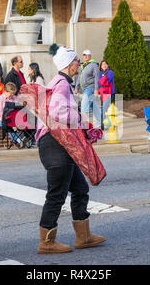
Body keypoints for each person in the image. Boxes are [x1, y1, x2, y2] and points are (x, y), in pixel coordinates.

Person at [35, 45, 106, 254]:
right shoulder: (62, 84)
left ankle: (83, 237)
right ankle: (46, 241)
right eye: (76, 61)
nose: (79, 64)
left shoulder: (58, 82)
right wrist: (81, 122)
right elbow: (58, 112)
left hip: (57, 144)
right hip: (55, 144)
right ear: (69, 64)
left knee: (80, 189)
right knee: (56, 194)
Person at [75, 49, 101, 126]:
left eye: (87, 55)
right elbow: (79, 77)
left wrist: (96, 89)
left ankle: (83, 125)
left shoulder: (94, 65)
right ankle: (100, 122)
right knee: (93, 106)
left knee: (84, 107)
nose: (85, 56)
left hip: (90, 88)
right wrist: (76, 87)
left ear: (90, 56)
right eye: (84, 55)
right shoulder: (83, 65)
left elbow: (97, 77)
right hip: (84, 89)